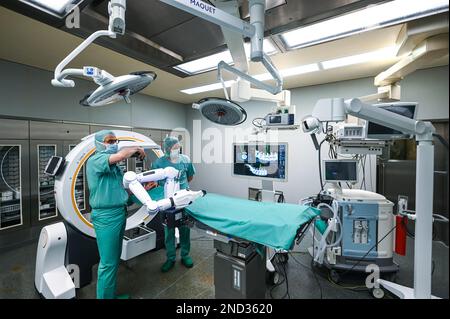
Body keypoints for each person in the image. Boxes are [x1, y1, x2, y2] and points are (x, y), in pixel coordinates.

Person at [86, 130, 145, 299]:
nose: (113, 143)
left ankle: (109, 295)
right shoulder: (95, 161)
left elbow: (118, 190)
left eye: (115, 141)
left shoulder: (115, 168)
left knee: (114, 258)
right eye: (109, 141)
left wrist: (140, 191)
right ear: (99, 143)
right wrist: (136, 148)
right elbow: (120, 155)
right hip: (106, 217)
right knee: (107, 263)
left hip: (119, 213)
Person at [151, 136, 196, 273]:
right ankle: (170, 258)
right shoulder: (158, 163)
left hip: (183, 200)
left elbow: (190, 176)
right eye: (173, 148)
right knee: (168, 230)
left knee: (184, 228)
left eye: (178, 147)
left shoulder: (185, 160)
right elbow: (154, 182)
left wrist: (182, 188)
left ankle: (185, 255)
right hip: (167, 202)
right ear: (167, 149)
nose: (176, 149)